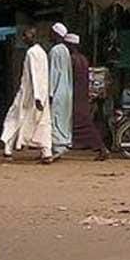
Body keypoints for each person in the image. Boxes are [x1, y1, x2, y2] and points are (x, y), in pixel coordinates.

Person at [0, 26, 53, 164]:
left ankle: (8, 149)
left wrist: (36, 97)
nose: (24, 38)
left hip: (29, 95)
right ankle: (46, 152)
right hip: (40, 94)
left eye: (26, 36)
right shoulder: (42, 52)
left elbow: (35, 75)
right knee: (42, 122)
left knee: (15, 118)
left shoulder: (32, 53)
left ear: (33, 37)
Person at [64, 33, 110, 161]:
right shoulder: (83, 59)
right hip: (82, 96)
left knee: (83, 125)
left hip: (75, 97)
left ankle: (101, 148)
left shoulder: (72, 60)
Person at [48, 22, 73, 159]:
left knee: (56, 118)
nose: (49, 35)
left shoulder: (56, 50)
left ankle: (58, 147)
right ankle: (62, 143)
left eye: (51, 32)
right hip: (66, 90)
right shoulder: (65, 50)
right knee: (63, 118)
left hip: (57, 90)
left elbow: (54, 73)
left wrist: (50, 92)